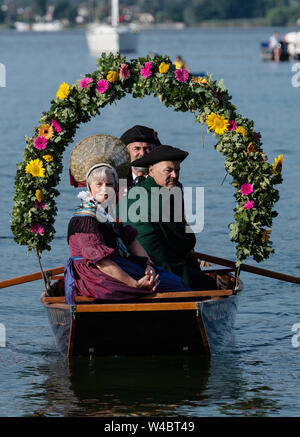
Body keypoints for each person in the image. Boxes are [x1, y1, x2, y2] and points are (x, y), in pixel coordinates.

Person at [65, 137, 190, 303]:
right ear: (89, 187)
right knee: (170, 285)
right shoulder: (84, 219)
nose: (104, 190)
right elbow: (101, 262)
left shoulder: (108, 214)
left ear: (116, 186)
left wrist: (149, 266)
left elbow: (131, 241)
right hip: (95, 275)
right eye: (99, 184)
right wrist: (135, 284)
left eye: (109, 184)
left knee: (171, 280)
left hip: (116, 266)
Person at [118, 145, 217, 291]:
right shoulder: (165, 198)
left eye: (177, 170)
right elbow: (186, 242)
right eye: (168, 170)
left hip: (130, 267)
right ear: (151, 170)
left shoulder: (130, 194)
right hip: (162, 269)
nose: (175, 176)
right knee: (209, 284)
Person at [120, 125, 161, 189]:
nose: (142, 153)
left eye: (146, 148)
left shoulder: (163, 180)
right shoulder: (118, 180)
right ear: (127, 152)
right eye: (137, 148)